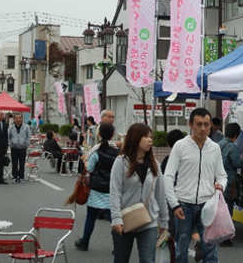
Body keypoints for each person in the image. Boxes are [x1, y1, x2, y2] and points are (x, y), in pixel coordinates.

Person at [164, 108, 227, 263]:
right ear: (190, 124)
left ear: (211, 124)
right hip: (183, 204)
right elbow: (168, 176)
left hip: (207, 205)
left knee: (210, 249)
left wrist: (221, 185)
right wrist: (174, 204)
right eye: (199, 124)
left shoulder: (215, 148)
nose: (203, 128)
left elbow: (222, 175)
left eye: (206, 124)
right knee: (181, 249)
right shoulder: (180, 146)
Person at [110, 123, 168, 263]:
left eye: (151, 137)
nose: (150, 140)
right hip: (124, 221)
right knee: (121, 260)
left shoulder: (155, 165)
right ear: (135, 138)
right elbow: (115, 192)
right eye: (145, 136)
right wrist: (116, 218)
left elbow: (160, 194)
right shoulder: (121, 162)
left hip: (149, 221)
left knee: (148, 260)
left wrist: (164, 221)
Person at [75, 123, 120, 251]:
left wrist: (85, 159)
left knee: (91, 217)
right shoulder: (118, 153)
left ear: (99, 134)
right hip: (112, 190)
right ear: (113, 135)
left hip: (96, 189)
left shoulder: (96, 152)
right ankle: (118, 246)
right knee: (114, 219)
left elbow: (89, 169)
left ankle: (84, 242)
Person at [217, 123, 243, 247]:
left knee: (219, 208)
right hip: (229, 180)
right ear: (236, 135)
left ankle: (217, 233)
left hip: (217, 181)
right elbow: (237, 163)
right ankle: (225, 237)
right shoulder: (232, 147)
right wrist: (241, 159)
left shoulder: (217, 145)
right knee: (227, 209)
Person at [8, 113, 31, 184]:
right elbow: (8, 137)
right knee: (14, 163)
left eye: (19, 118)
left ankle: (21, 177)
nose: (18, 119)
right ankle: (14, 177)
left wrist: (26, 144)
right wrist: (10, 144)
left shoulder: (26, 127)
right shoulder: (11, 128)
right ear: (14, 119)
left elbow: (28, 136)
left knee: (22, 163)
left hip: (22, 147)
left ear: (22, 118)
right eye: (16, 118)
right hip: (14, 147)